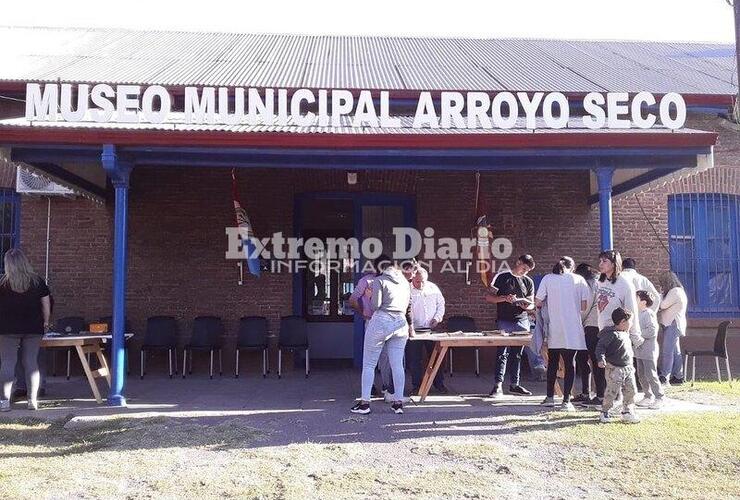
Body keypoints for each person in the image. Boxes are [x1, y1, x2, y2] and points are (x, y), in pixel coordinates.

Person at [351, 261, 411, 415]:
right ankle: (398, 403)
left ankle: (365, 403)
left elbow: (376, 305)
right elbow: (408, 305)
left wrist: (370, 297)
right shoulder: (405, 283)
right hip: (400, 321)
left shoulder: (380, 280)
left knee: (369, 364)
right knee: (397, 364)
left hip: (381, 320)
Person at [535, 257, 590, 411]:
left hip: (554, 327)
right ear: (572, 267)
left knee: (552, 363)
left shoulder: (548, 278)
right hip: (573, 327)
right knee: (569, 364)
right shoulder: (579, 279)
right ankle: (566, 400)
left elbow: (538, 302)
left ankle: (549, 397)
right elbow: (584, 306)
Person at [0, 249, 51, 412]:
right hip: (33, 328)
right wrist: (46, 322)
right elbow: (46, 305)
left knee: (7, 363)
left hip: (7, 328)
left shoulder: (2, 284)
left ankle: (4, 402)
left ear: (7, 264)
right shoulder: (38, 282)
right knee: (31, 363)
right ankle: (32, 401)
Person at [485, 254, 536, 398]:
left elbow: (531, 303)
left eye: (527, 270)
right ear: (518, 262)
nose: (525, 272)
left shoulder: (528, 281)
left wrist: (525, 305)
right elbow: (489, 297)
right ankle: (498, 385)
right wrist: (504, 298)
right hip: (505, 320)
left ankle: (515, 384)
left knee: (518, 353)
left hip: (522, 319)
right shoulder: (502, 276)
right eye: (524, 268)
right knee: (502, 352)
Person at [349, 254, 394, 399]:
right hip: (372, 321)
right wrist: (363, 313)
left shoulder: (394, 282)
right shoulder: (366, 281)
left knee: (386, 356)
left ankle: (387, 386)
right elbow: (353, 299)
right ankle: (371, 387)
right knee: (371, 356)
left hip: (388, 322)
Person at [595, 307, 643, 424]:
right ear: (622, 322)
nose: (631, 324)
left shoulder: (625, 334)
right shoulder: (611, 335)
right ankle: (605, 411)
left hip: (628, 367)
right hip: (614, 368)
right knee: (612, 391)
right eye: (630, 321)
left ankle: (627, 411)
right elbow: (600, 347)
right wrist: (601, 359)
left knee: (631, 390)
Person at [406, 267, 446, 394]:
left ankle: (439, 384)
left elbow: (441, 304)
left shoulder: (433, 288)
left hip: (430, 330)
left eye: (423, 281)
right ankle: (416, 386)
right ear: (413, 279)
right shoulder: (407, 290)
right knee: (414, 360)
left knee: (436, 358)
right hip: (414, 331)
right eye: (418, 281)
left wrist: (437, 318)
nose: (420, 284)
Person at [574, 263, 605, 407]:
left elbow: (584, 308)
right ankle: (594, 393)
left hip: (590, 326)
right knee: (594, 360)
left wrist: (577, 321)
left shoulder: (588, 284)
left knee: (590, 360)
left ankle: (597, 395)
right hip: (600, 325)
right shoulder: (602, 281)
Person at [595, 250, 641, 338]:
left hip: (617, 332)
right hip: (603, 330)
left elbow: (631, 310)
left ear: (613, 264)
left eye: (604, 261)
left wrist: (635, 334)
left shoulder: (625, 284)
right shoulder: (600, 282)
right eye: (600, 261)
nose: (600, 264)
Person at [657, 271, 688, 386]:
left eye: (662, 283)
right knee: (675, 351)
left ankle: (665, 376)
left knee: (667, 351)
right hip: (673, 323)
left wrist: (660, 294)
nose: (661, 286)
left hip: (672, 323)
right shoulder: (679, 290)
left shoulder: (674, 291)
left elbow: (662, 305)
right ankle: (678, 376)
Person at [635, 290, 665, 408]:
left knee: (651, 374)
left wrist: (638, 334)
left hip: (648, 351)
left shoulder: (649, 313)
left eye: (636, 298)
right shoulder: (639, 314)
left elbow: (652, 331)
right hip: (639, 351)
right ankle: (648, 395)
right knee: (641, 374)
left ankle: (659, 397)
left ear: (643, 302)